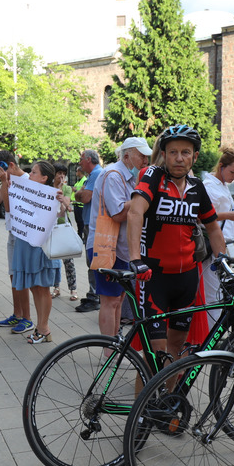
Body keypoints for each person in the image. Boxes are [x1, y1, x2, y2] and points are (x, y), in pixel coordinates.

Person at [127, 125, 228, 369]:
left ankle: (167, 405)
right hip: (154, 278)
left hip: (186, 279)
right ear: (164, 154)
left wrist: (223, 262)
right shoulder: (153, 177)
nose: (179, 158)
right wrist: (135, 259)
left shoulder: (197, 187)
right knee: (155, 354)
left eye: (185, 152)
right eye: (173, 152)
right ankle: (145, 407)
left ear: (194, 156)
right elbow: (135, 213)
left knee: (176, 349)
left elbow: (213, 228)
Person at [87, 137, 151, 348]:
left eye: (146, 155)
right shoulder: (113, 175)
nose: (145, 159)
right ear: (126, 156)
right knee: (110, 301)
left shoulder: (126, 177)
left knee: (118, 300)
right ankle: (109, 350)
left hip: (117, 248)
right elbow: (118, 213)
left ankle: (114, 345)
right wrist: (144, 197)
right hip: (106, 247)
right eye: (141, 155)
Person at [201, 147, 234, 327]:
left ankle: (216, 330)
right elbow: (204, 217)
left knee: (221, 291)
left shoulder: (221, 185)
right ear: (221, 166)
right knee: (213, 293)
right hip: (213, 245)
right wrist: (229, 216)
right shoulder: (208, 186)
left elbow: (229, 210)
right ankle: (210, 334)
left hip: (226, 244)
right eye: (232, 171)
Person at [12, 161, 63, 343]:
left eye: (33, 172)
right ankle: (42, 328)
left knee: (42, 289)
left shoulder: (52, 194)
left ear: (44, 178)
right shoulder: (25, 192)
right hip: (27, 243)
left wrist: (64, 202)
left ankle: (44, 327)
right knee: (35, 287)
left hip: (41, 246)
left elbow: (62, 213)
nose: (30, 174)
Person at [0, 150, 33, 330]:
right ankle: (17, 314)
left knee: (21, 275)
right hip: (12, 232)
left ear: (11, 165)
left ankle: (27, 318)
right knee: (13, 275)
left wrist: (4, 182)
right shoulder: (7, 180)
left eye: (1, 169)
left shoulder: (29, 181)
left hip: (25, 234)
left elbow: (8, 207)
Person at [75, 149, 102, 313]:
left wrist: (79, 193)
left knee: (93, 261)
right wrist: (81, 192)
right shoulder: (92, 175)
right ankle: (94, 294)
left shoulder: (96, 174)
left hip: (93, 224)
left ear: (89, 160)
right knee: (91, 262)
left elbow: (84, 197)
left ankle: (95, 296)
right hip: (90, 222)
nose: (79, 163)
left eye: (81, 159)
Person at [51, 163, 78, 301]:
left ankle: (73, 289)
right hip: (50, 228)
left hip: (63, 226)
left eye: (63, 173)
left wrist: (61, 191)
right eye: (58, 173)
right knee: (54, 260)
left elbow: (67, 206)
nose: (61, 176)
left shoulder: (67, 188)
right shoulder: (47, 188)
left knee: (68, 260)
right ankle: (56, 288)